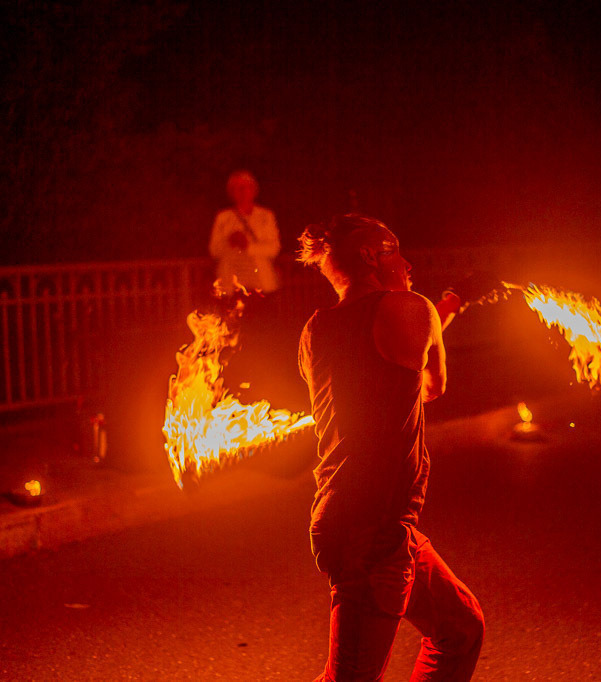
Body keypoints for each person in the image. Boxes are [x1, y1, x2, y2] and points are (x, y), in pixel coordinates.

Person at [297, 213, 486, 681]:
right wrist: (450, 303)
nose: (407, 261)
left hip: (366, 521)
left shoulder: (315, 330)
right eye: (396, 249)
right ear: (369, 257)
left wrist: (448, 305)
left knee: (460, 628)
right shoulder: (411, 308)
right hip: (372, 531)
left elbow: (397, 355)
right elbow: (433, 384)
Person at [209, 170, 281, 296]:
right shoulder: (224, 217)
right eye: (237, 188)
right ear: (231, 192)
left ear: (253, 190)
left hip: (261, 285)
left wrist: (247, 246)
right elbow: (214, 250)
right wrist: (230, 242)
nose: (242, 191)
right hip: (231, 286)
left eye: (245, 187)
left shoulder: (265, 216)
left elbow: (273, 249)